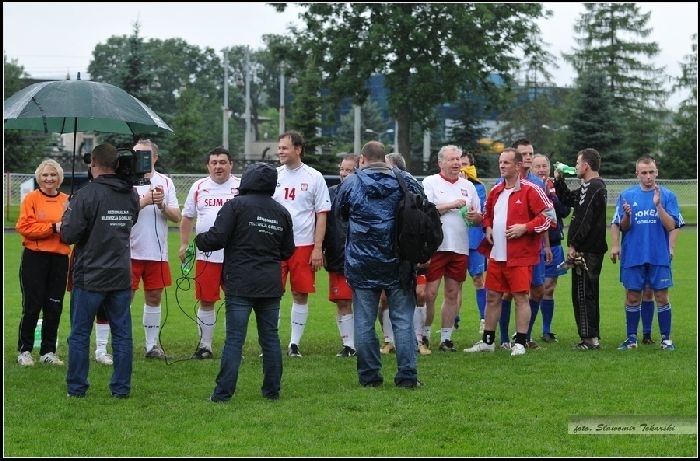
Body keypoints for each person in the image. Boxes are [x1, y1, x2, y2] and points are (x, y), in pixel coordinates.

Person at [195, 162, 295, 402]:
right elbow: (287, 250)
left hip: (240, 282)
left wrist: (200, 240)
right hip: (270, 283)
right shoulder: (281, 212)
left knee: (234, 339)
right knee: (270, 338)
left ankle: (222, 393)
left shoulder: (235, 206)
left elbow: (217, 237)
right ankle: (272, 391)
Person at [335, 140, 423, 388]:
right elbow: (422, 206)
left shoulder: (351, 182)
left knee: (364, 321)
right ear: (384, 159)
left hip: (362, 260)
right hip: (399, 259)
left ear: (362, 159)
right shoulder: (403, 179)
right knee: (403, 320)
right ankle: (407, 376)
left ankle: (369, 376)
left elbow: (339, 212)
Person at [60, 143, 140, 398]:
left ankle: (77, 388)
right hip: (120, 274)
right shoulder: (130, 194)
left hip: (90, 275)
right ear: (116, 164)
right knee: (122, 334)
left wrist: (67, 214)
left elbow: (69, 235)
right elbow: (132, 220)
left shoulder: (85, 195)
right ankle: (121, 388)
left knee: (80, 334)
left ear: (93, 163)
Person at [463, 147, 554, 357]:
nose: (502, 166)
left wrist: (525, 228)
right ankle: (488, 341)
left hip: (520, 255)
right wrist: (486, 226)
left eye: (506, 162)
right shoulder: (496, 190)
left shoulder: (531, 189)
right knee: (493, 296)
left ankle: (520, 342)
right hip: (497, 254)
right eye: (500, 162)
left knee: (521, 296)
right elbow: (487, 214)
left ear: (518, 166)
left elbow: (549, 217)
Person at [610, 155, 681, 351]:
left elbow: (672, 225)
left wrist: (658, 206)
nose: (648, 176)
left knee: (661, 297)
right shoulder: (627, 195)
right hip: (633, 254)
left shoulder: (668, 195)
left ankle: (666, 340)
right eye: (644, 173)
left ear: (657, 172)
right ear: (637, 174)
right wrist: (627, 216)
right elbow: (622, 226)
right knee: (633, 296)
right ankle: (631, 339)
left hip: (658, 255)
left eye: (651, 172)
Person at [273, 130, 331, 358]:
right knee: (272, 294)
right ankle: (271, 343)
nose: (280, 152)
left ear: (298, 149)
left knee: (300, 294)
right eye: (279, 148)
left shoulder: (314, 177)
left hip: (303, 245)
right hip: (275, 246)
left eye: (284, 148)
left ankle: (294, 344)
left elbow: (322, 214)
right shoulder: (273, 175)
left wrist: (318, 248)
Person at [179, 147, 240, 359]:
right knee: (206, 300)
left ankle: (234, 346)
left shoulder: (241, 187)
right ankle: (205, 346)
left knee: (236, 300)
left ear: (231, 165)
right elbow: (187, 217)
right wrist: (184, 244)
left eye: (222, 162)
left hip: (235, 256)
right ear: (208, 166)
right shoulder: (199, 186)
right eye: (214, 162)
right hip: (207, 256)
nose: (218, 166)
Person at [421, 145, 481, 353]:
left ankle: (446, 339)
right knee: (429, 293)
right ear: (440, 162)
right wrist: (451, 205)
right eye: (451, 159)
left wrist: (475, 217)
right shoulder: (430, 182)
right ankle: (424, 335)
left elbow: (478, 217)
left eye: (458, 159)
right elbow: (425, 210)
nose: (456, 163)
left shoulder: (469, 186)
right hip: (436, 246)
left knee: (452, 293)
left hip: (460, 246)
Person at [129, 138, 182, 359]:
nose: (140, 158)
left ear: (155, 157)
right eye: (136, 154)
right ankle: (120, 344)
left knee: (154, 297)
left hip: (156, 252)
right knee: (123, 298)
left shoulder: (165, 182)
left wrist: (161, 205)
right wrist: (144, 200)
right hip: (128, 250)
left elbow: (177, 217)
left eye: (145, 154)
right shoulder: (125, 180)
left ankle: (151, 346)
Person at [16, 159, 71, 367]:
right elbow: (25, 227)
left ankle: (48, 351)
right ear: (39, 177)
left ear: (59, 178)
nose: (49, 178)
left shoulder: (67, 200)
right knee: (32, 306)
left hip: (59, 259)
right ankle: (25, 350)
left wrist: (67, 227)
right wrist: (53, 228)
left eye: (53, 175)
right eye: (45, 175)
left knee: (54, 306)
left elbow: (73, 230)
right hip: (35, 258)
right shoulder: (31, 198)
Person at [497, 138, 550, 350]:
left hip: (533, 248)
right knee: (507, 292)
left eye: (531, 153)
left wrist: (546, 245)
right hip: (509, 249)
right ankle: (503, 339)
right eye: (524, 154)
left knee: (537, 290)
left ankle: (524, 335)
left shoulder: (537, 184)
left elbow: (546, 216)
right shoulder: (502, 183)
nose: (529, 157)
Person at [553, 148, 608, 350]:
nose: (575, 167)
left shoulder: (594, 187)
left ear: (586, 166)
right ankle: (590, 336)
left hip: (587, 250)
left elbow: (585, 219)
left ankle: (589, 339)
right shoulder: (590, 187)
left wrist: (574, 244)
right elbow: (569, 199)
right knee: (584, 293)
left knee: (584, 294)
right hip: (589, 248)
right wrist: (559, 180)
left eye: (577, 163)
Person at [532, 153, 571, 343]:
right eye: (537, 166)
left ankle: (546, 330)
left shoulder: (554, 186)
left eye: (544, 166)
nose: (541, 170)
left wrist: (551, 196)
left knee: (548, 288)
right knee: (531, 289)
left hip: (554, 244)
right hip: (532, 244)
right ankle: (525, 331)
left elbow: (565, 211)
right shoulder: (527, 186)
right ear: (531, 169)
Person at [323, 153, 358, 357]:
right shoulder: (330, 193)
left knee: (368, 301)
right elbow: (323, 224)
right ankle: (349, 345)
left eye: (349, 170)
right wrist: (322, 248)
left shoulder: (365, 193)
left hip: (363, 255)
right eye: (342, 169)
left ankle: (385, 340)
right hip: (337, 254)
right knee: (342, 300)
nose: (344, 173)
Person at [458, 151, 488, 335]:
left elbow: (477, 211)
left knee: (478, 279)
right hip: (456, 240)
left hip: (475, 240)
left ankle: (484, 319)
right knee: (455, 282)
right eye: (458, 163)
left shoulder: (478, 187)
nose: (460, 167)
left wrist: (465, 186)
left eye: (464, 164)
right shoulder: (447, 185)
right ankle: (453, 317)